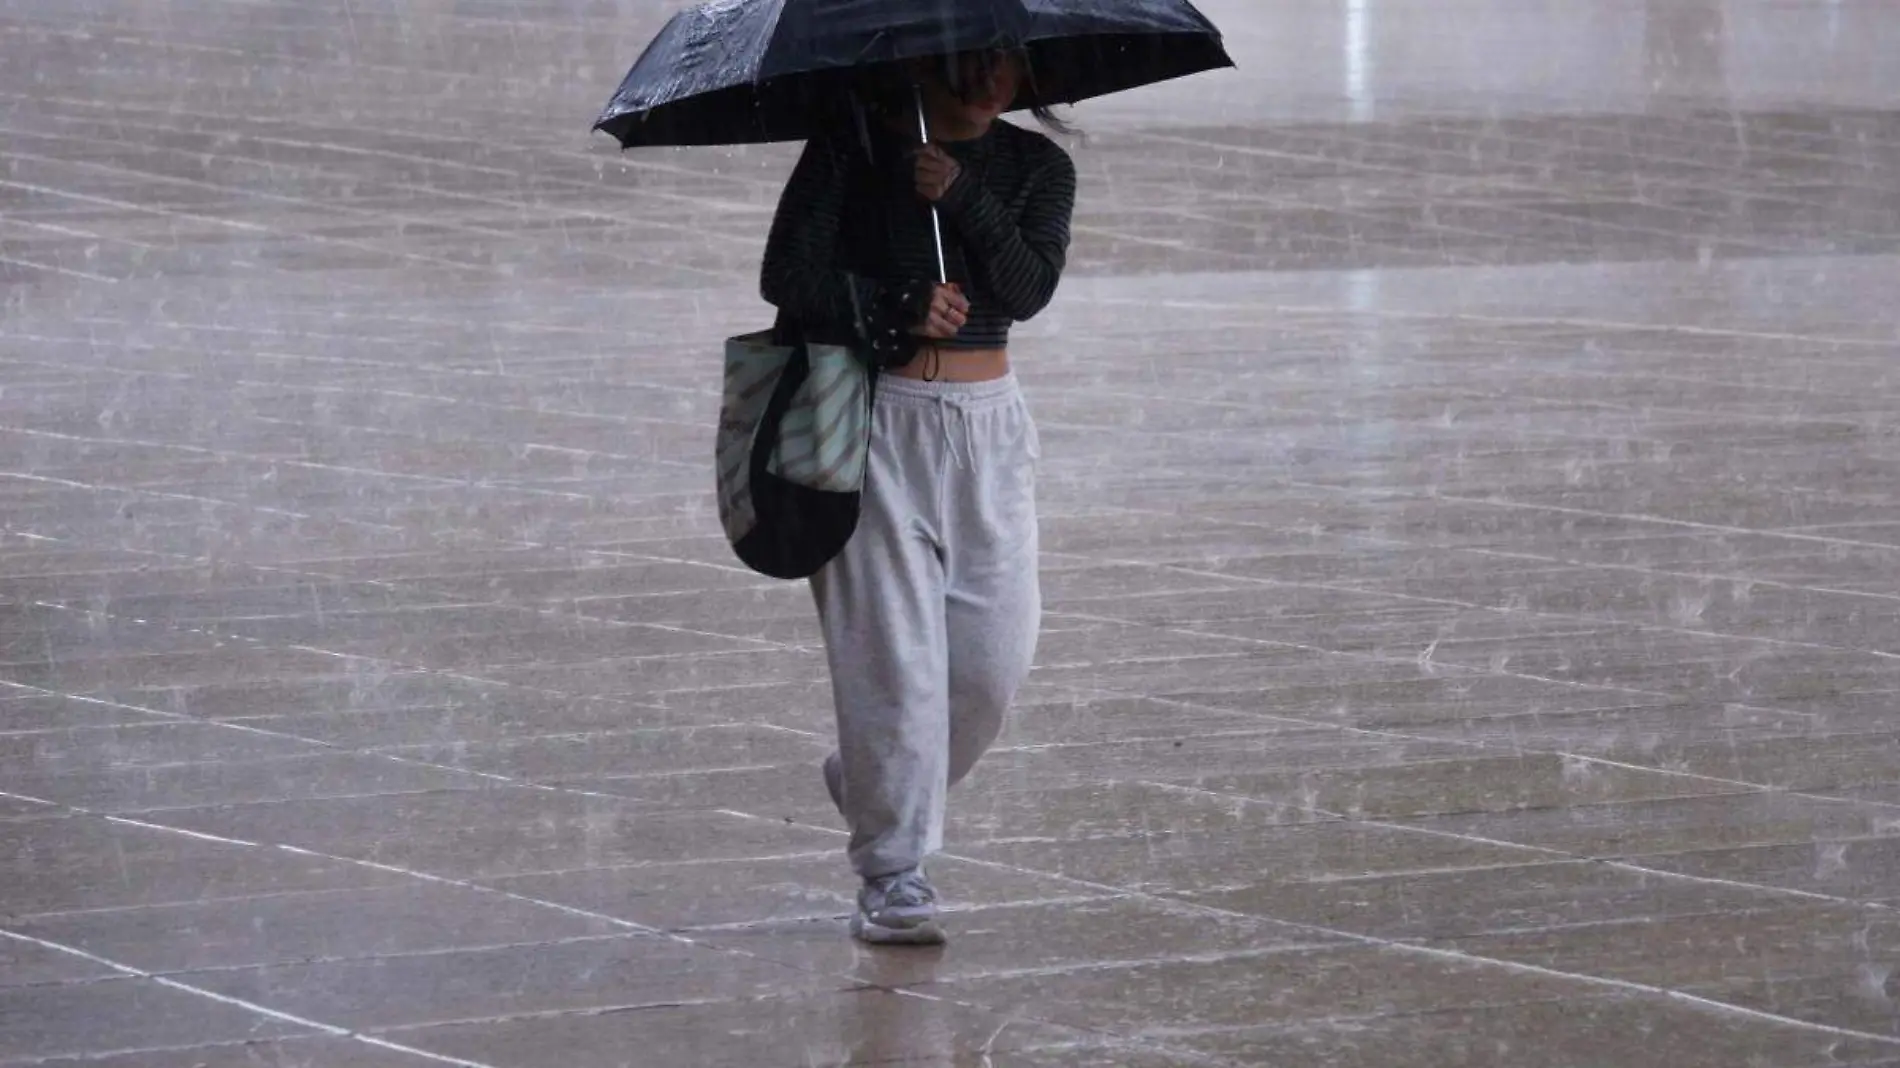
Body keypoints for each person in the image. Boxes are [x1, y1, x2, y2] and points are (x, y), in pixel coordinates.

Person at [759, 48, 1077, 945]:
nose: (987, 84)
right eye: (967, 64)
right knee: (890, 661)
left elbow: (1028, 287)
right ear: (921, 62)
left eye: (1005, 66)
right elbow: (787, 274)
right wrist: (892, 298)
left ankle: (873, 781)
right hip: (871, 419)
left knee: (988, 667)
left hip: (988, 427)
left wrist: (961, 195)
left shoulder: (1037, 166)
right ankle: (893, 872)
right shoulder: (852, 151)